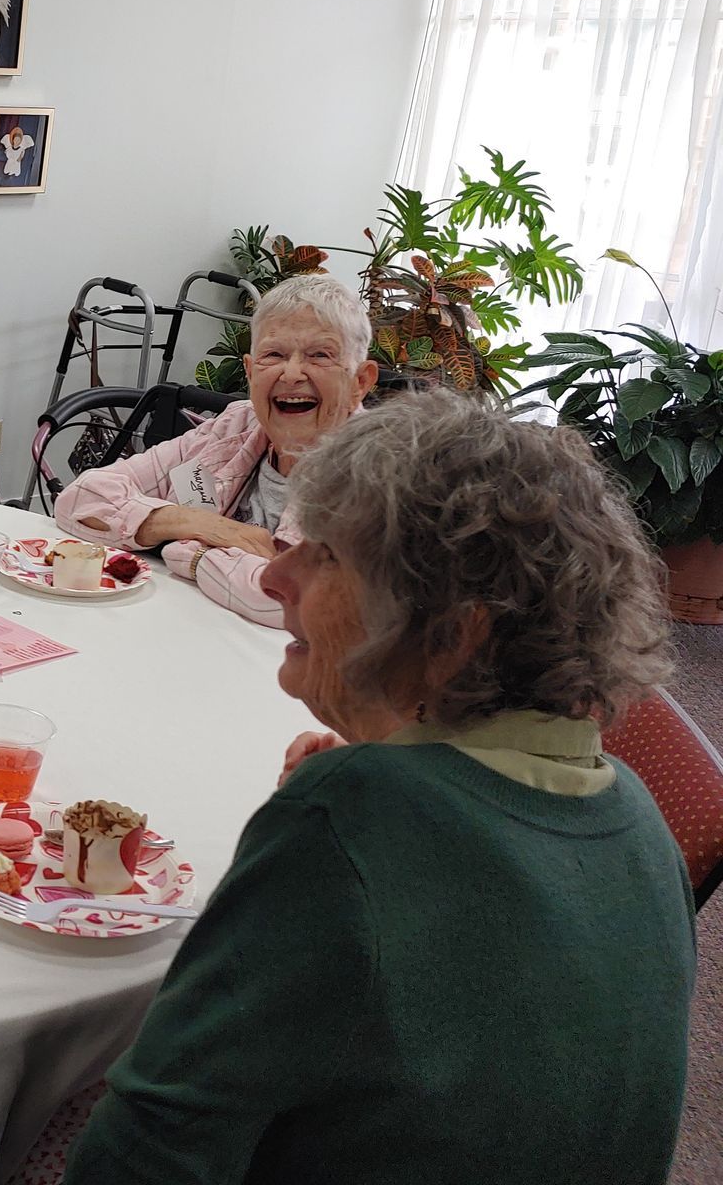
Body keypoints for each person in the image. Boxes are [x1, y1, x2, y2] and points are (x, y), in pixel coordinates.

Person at [64, 389, 694, 1184]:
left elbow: (149, 1145)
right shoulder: (638, 822)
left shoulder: (349, 816)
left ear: (452, 632)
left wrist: (339, 817)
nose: (273, 577)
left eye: (324, 555)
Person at [54, 274, 376, 626]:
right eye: (274, 354)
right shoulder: (236, 427)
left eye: (319, 355)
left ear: (360, 381)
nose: (293, 373)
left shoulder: (379, 469)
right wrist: (203, 524)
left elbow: (297, 601)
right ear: (251, 373)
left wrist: (186, 552)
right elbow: (79, 498)